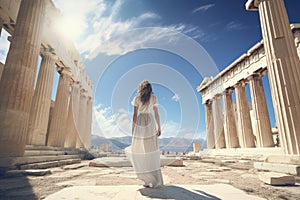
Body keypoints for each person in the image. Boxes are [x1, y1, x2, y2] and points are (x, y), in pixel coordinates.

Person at [125, 80, 164, 188]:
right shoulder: (154, 99)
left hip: (140, 122)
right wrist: (159, 127)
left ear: (141, 89)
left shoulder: (137, 99)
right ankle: (155, 179)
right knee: (151, 149)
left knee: (139, 150)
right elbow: (156, 114)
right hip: (150, 123)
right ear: (150, 89)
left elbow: (134, 115)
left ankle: (145, 179)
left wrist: (133, 129)